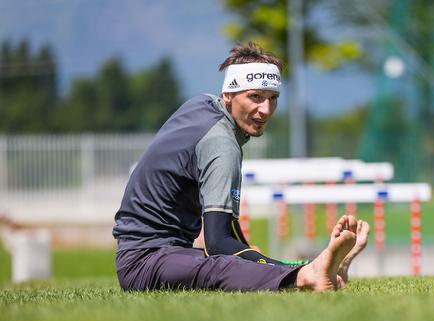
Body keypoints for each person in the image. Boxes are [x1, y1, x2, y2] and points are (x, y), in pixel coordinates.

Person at [112, 42, 369, 293]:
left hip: (165, 252)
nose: (265, 110)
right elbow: (217, 244)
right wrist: (260, 259)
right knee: (223, 265)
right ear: (229, 94)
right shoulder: (221, 143)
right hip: (143, 261)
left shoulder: (201, 105)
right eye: (255, 96)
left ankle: (317, 270)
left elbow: (229, 237)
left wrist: (250, 255)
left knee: (241, 258)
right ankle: (308, 274)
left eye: (273, 98)